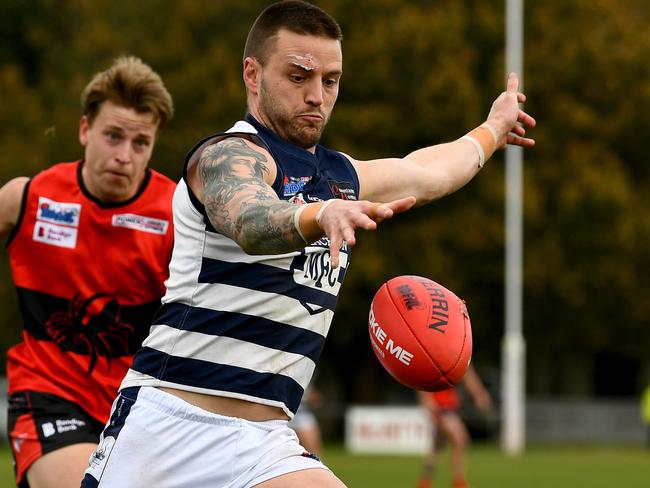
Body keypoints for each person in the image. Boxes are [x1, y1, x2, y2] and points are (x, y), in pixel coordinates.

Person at [82, 1, 535, 487]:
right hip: (168, 426)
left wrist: (491, 130)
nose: (317, 95)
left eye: (330, 80)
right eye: (299, 77)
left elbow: (428, 172)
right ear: (252, 75)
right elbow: (250, 218)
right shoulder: (226, 155)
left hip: (266, 443)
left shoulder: (341, 177)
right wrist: (319, 214)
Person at [0, 56, 175, 488]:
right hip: (48, 395)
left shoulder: (177, 217)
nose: (123, 156)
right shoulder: (26, 199)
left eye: (140, 143)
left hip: (141, 407)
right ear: (84, 130)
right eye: (113, 136)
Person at [416, 366, 493, 488]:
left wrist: (479, 394)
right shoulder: (438, 355)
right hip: (441, 408)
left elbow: (469, 374)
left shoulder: (453, 356)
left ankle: (424, 482)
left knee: (437, 447)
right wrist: (426, 399)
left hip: (446, 407)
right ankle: (459, 483)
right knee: (460, 440)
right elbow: (422, 373)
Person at [288, 384, 325, 457]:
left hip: (302, 414)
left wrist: (314, 399)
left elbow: (315, 399)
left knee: (314, 453)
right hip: (280, 416)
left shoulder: (305, 377)